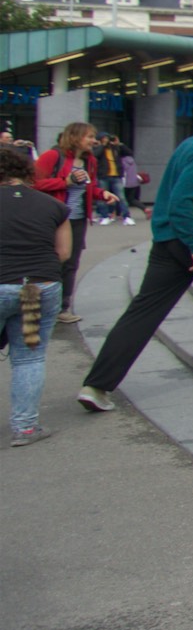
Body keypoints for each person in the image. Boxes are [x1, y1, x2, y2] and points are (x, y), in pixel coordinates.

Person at [76, 90, 193, 413]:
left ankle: (96, 386)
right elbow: (181, 201)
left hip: (167, 240)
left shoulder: (189, 145)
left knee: (143, 312)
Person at [1, 145, 71, 446]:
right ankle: (25, 428)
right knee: (29, 358)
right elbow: (63, 253)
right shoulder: (53, 206)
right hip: (41, 285)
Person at [34, 122, 107, 325]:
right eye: (89, 136)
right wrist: (64, 182)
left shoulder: (90, 160)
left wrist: (102, 194)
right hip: (53, 220)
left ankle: (62, 308)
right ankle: (38, 305)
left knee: (71, 264)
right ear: (75, 137)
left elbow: (89, 187)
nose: (94, 141)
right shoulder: (52, 156)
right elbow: (32, 183)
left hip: (77, 219)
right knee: (49, 262)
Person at [120, 147, 147, 220]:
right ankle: (145, 209)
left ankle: (120, 213)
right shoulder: (132, 160)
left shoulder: (122, 161)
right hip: (134, 182)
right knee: (132, 199)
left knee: (122, 198)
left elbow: (123, 172)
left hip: (126, 182)